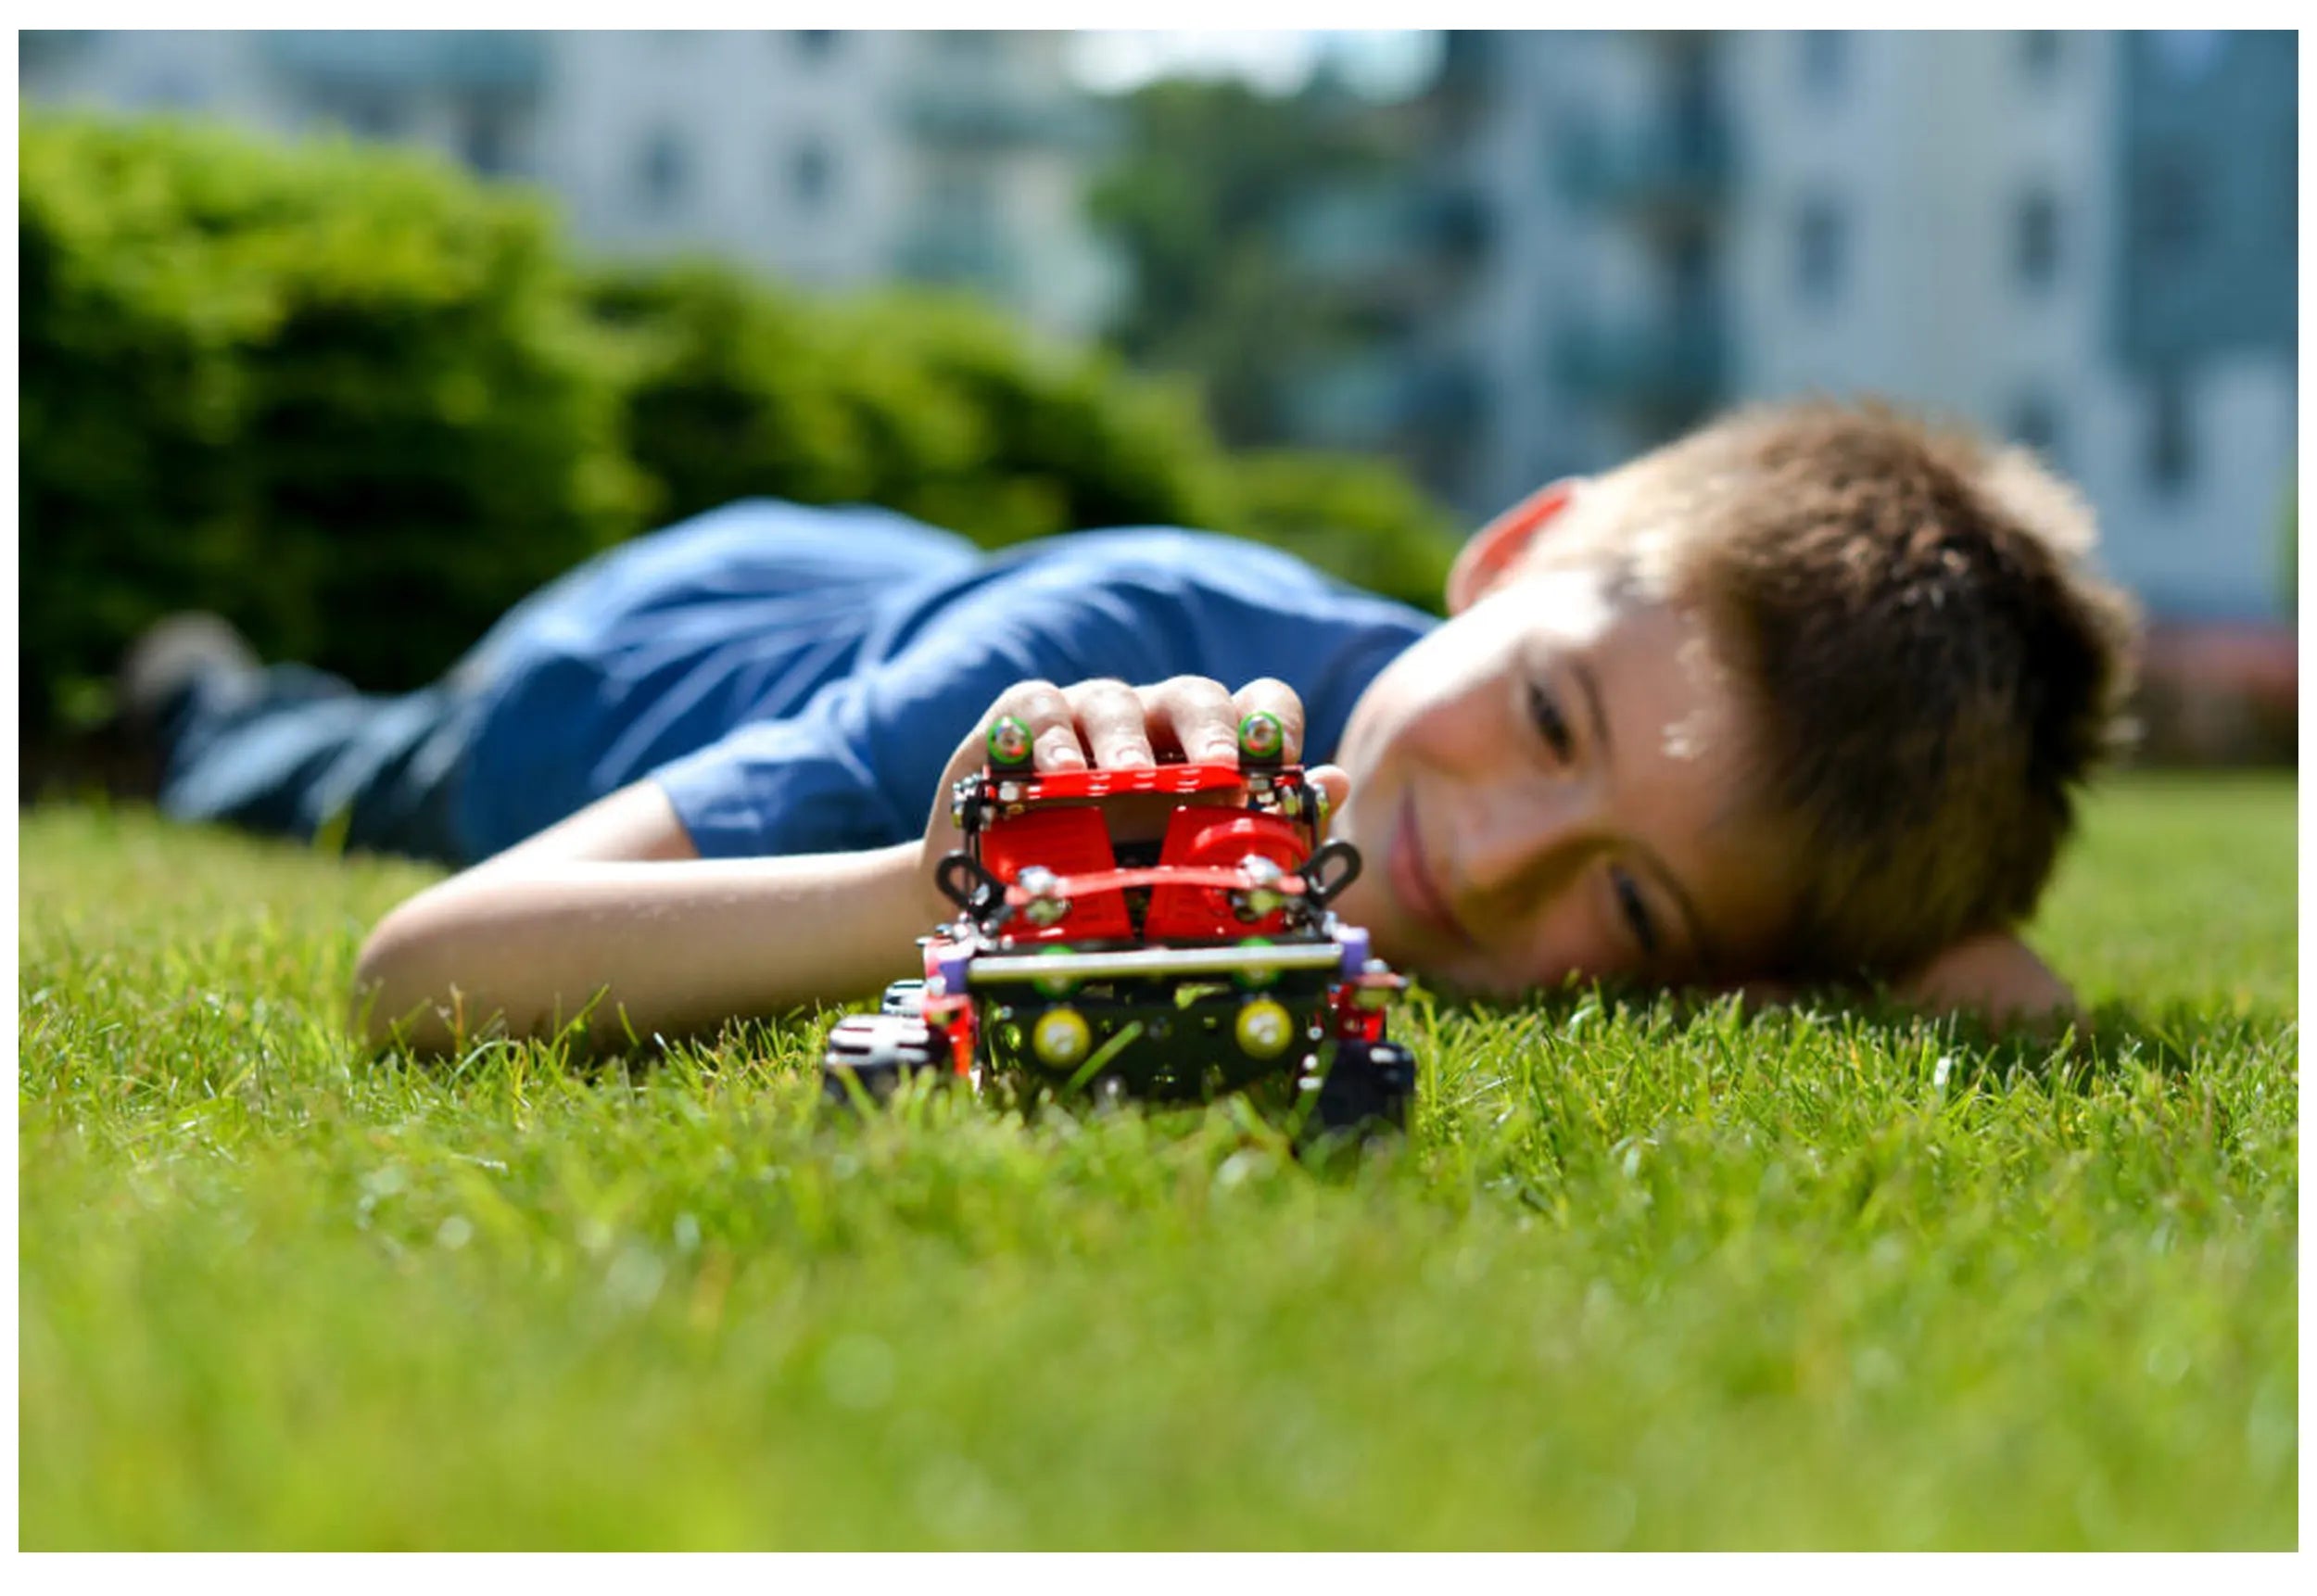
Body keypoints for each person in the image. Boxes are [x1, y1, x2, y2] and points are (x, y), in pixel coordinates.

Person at [125, 399, 2135, 1052]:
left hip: (898, 589)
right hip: (624, 668)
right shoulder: (1095, 666)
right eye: (1544, 720)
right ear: (1516, 553)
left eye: (1629, 907)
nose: (1484, 858)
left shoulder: (1712, 816)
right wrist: (941, 890)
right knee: (318, 774)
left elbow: (1944, 959)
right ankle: (199, 686)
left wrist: (1911, 946)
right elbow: (422, 970)